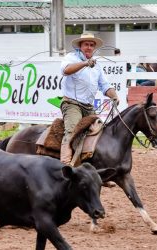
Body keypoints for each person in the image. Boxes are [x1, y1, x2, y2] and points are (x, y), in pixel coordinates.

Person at [60, 33, 119, 165]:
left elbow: (105, 85)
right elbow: (65, 70)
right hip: (71, 103)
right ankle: (65, 165)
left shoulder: (96, 65)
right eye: (86, 44)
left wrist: (114, 96)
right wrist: (85, 63)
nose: (89, 47)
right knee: (72, 130)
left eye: (92, 45)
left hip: (88, 106)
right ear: (80, 46)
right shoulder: (71, 57)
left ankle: (98, 167)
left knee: (101, 131)